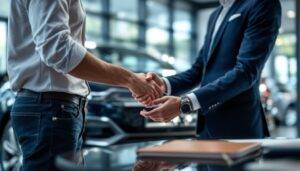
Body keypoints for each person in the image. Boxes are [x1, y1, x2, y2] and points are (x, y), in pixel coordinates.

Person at [7, 0, 161, 170]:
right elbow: (58, 49)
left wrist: (79, 99)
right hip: (50, 107)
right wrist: (130, 79)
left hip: (56, 108)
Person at [136, 0, 282, 139]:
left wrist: (185, 103)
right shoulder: (215, 15)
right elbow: (198, 70)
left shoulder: (262, 3)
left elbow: (245, 72)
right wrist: (164, 84)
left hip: (239, 128)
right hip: (205, 129)